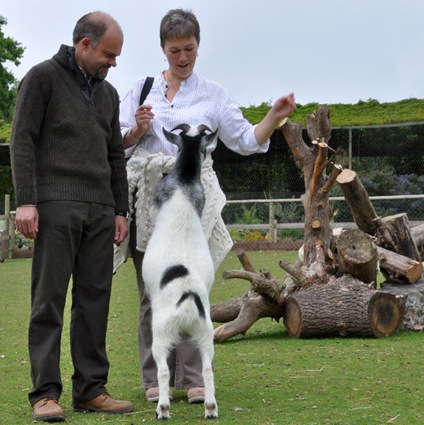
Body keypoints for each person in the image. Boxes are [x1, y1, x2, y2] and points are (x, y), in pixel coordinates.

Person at [119, 8, 296, 405]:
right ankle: (156, 377)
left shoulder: (213, 93)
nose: (182, 58)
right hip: (150, 198)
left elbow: (247, 140)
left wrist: (274, 115)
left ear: (198, 46)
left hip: (193, 202)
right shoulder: (140, 89)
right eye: (174, 50)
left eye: (189, 49)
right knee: (153, 293)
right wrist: (137, 130)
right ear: (162, 49)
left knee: (194, 287)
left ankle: (194, 377)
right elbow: (116, 141)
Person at [10, 11, 134, 423]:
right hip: (55, 206)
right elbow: (22, 140)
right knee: (48, 301)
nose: (112, 63)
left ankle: (91, 390)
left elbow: (115, 155)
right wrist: (26, 201)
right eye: (108, 54)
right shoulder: (42, 78)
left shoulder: (109, 94)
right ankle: (45, 394)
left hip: (100, 209)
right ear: (84, 44)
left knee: (95, 301)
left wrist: (120, 209)